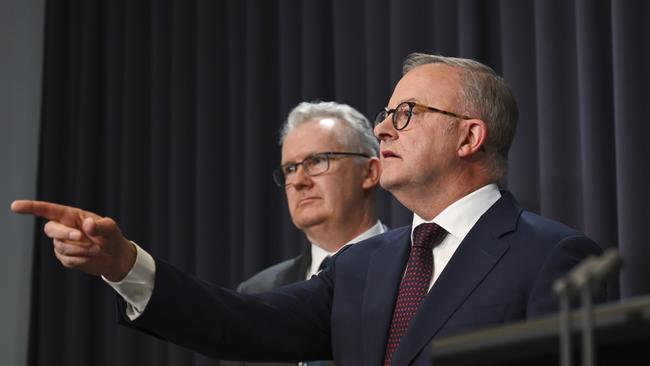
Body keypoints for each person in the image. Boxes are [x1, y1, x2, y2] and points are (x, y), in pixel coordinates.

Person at [11, 53, 604, 365]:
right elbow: (239, 324)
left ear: (469, 137)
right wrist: (124, 264)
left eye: (406, 115)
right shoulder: (364, 265)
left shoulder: (552, 256)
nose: (382, 128)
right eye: (384, 114)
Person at [226, 101, 387, 366]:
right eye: (290, 168)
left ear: (370, 172)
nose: (299, 181)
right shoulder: (257, 293)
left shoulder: (415, 274)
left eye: (317, 161)